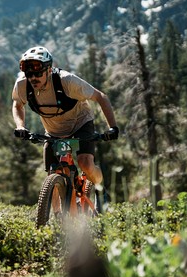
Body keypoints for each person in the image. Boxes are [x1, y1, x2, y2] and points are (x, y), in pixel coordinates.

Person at [11, 45, 119, 187]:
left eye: (37, 74)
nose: (33, 78)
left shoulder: (66, 81)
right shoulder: (22, 86)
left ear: (49, 70)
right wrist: (20, 126)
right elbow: (18, 105)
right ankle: (58, 210)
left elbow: (100, 97)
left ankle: (98, 184)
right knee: (52, 174)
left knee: (85, 164)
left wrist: (112, 127)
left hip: (80, 123)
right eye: (29, 74)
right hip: (53, 132)